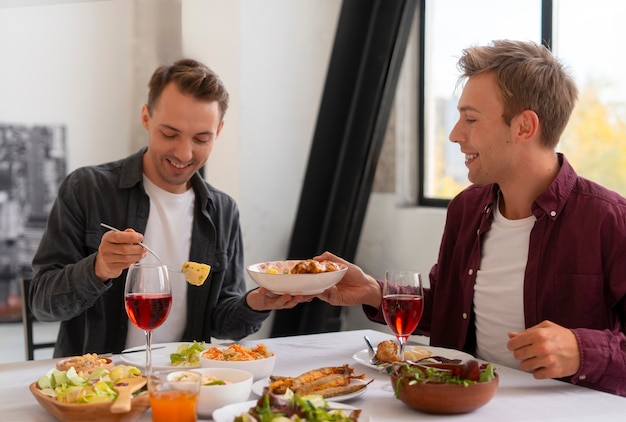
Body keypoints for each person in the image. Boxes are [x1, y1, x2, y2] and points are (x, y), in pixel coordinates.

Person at [315, 40, 626, 397]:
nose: (454, 135)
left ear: (524, 126)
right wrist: (375, 294)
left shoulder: (610, 220)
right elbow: (452, 311)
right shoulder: (465, 210)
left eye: (471, 119)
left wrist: (582, 352)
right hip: (463, 404)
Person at [30, 58, 308, 358]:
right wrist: (99, 269)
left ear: (219, 130)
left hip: (183, 383)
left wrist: (258, 302)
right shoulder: (86, 188)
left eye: (202, 138)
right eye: (170, 134)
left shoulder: (223, 211)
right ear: (146, 117)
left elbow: (223, 323)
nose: (184, 153)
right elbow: (42, 305)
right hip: (98, 385)